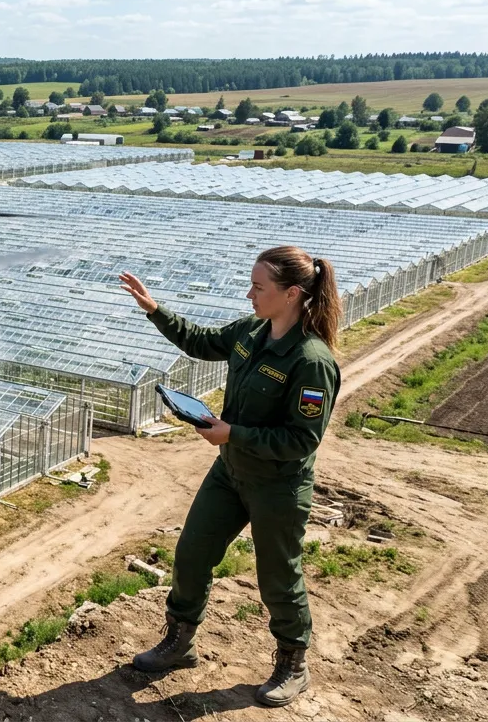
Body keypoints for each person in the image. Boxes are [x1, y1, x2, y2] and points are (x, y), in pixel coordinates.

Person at [118, 246, 342, 708]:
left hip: (276, 486)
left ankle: (293, 663)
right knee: (192, 552)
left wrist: (231, 433)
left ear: (292, 294)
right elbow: (202, 342)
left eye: (259, 287)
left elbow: (301, 441)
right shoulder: (251, 331)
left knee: (278, 576)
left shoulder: (311, 360)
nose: (249, 294)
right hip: (231, 473)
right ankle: (180, 642)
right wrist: (155, 310)